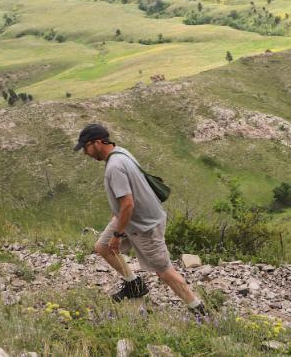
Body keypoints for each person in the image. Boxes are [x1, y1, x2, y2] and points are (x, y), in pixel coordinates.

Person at [75, 124, 205, 315]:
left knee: (164, 271)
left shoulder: (114, 166)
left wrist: (118, 235)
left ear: (96, 143)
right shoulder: (120, 153)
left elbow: (128, 204)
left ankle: (200, 311)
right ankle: (134, 285)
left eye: (85, 147)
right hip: (129, 219)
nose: (85, 153)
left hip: (145, 225)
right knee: (103, 247)